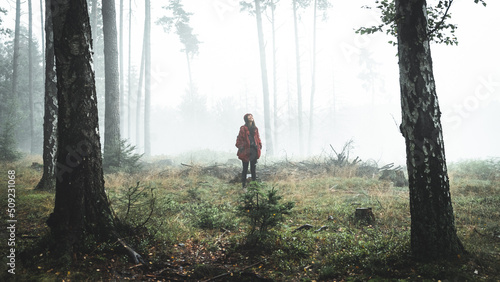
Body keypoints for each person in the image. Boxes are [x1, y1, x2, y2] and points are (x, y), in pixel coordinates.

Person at [235, 113, 262, 188]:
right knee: (245, 168)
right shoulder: (243, 128)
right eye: (249, 116)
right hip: (246, 151)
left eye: (252, 116)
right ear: (246, 119)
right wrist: (241, 147)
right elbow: (239, 139)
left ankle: (254, 186)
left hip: (254, 150)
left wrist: (259, 145)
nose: (251, 117)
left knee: (253, 169)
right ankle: (243, 186)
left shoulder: (255, 129)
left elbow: (258, 138)